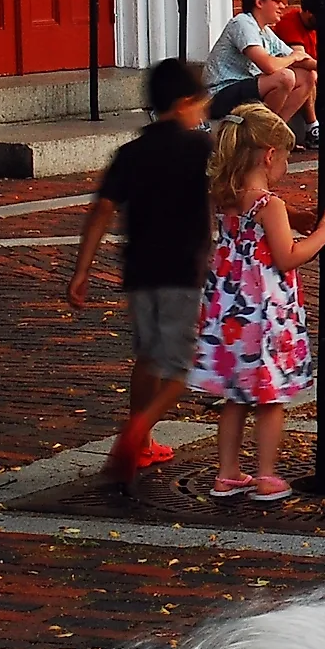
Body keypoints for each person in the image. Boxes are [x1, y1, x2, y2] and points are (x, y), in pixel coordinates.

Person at [189, 105, 325, 502]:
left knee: (234, 397)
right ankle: (266, 475)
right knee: (270, 399)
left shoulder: (225, 196)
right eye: (285, 158)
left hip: (230, 312)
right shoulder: (269, 205)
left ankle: (226, 473)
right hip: (264, 315)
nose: (285, 166)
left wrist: (298, 219)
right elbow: (288, 256)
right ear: (268, 155)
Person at [68, 57, 214, 488]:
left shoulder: (130, 153)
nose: (203, 114)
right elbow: (229, 194)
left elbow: (101, 210)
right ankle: (135, 432)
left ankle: (144, 438)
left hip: (138, 272)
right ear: (186, 102)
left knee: (148, 354)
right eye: (201, 106)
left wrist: (82, 270)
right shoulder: (199, 149)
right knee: (181, 366)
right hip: (181, 271)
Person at [206, 0, 319, 144]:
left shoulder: (265, 31)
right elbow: (269, 66)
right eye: (277, 1)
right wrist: (294, 57)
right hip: (220, 94)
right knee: (284, 77)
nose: (283, 6)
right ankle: (262, 136)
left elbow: (303, 61)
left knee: (307, 76)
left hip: (246, 90)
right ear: (259, 2)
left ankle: (273, 135)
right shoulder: (242, 23)